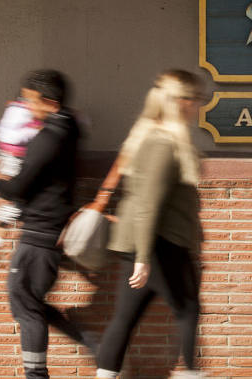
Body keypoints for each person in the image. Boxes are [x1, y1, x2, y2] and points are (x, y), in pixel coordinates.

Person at [95, 70, 205, 379]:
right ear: (181, 102)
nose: (199, 106)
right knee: (187, 311)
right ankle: (191, 374)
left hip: (148, 243)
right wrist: (143, 258)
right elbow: (147, 202)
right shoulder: (163, 143)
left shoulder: (148, 133)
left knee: (125, 319)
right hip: (159, 244)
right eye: (196, 99)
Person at [0, 69, 93, 378]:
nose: (26, 106)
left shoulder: (49, 137)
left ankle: (37, 375)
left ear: (49, 102)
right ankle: (92, 342)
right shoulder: (70, 128)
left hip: (39, 233)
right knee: (28, 301)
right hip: (49, 230)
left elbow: (19, 187)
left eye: (30, 100)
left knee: (24, 304)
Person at [0, 75, 43, 269]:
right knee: (15, 205)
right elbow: (18, 136)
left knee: (16, 204)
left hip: (13, 159)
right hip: (15, 159)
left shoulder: (16, 108)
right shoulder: (22, 110)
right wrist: (39, 129)